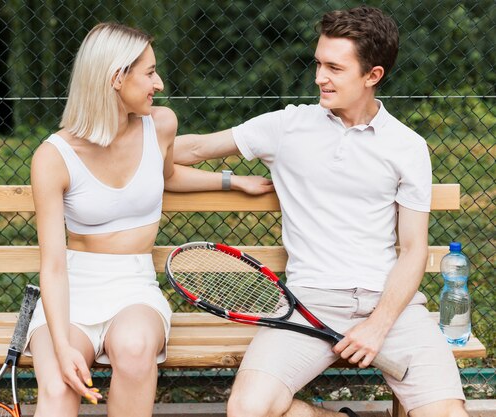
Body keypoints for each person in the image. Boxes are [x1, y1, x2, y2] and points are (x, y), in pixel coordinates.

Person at [174, 6, 468, 417]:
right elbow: (192, 149)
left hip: (392, 308)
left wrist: (378, 325)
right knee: (247, 409)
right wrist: (109, 142)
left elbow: (414, 249)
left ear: (373, 76)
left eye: (334, 67)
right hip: (309, 304)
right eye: (318, 64)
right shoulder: (286, 127)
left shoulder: (407, 146)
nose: (319, 77)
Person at [24, 22, 273, 417]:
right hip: (73, 288)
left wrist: (232, 181)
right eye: (149, 72)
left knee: (136, 350)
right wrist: (63, 344)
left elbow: (168, 175)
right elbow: (53, 267)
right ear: (116, 77)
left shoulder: (160, 124)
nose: (158, 83)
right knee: (57, 387)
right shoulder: (53, 156)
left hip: (133, 286)